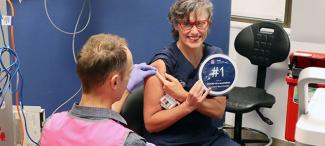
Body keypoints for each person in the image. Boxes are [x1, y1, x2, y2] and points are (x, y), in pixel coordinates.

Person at [143, 0, 239, 145]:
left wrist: (183, 96)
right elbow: (151, 123)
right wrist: (188, 106)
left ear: (209, 24)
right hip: (169, 140)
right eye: (187, 24)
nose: (194, 32)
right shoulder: (162, 64)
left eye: (200, 24)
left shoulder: (215, 59)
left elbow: (218, 110)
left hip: (206, 136)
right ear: (176, 25)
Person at [40, 33, 156, 146]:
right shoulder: (129, 141)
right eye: (129, 74)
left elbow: (96, 125)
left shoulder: (50, 125)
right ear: (115, 82)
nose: (130, 78)